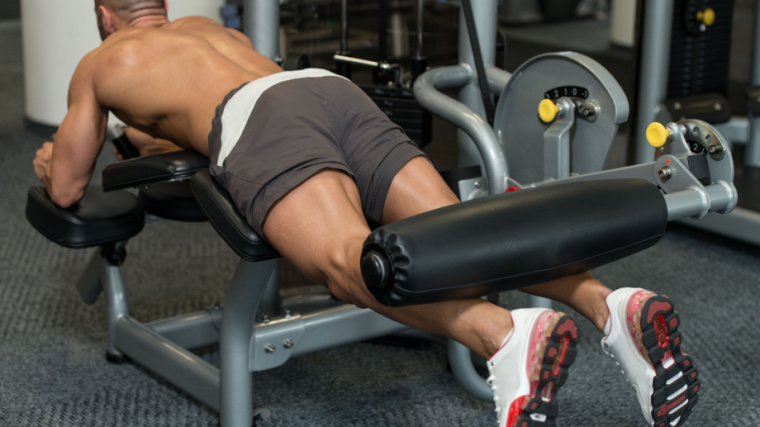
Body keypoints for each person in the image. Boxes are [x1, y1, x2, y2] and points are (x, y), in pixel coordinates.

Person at [32, 1, 699, 426]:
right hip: (326, 92)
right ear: (163, 8)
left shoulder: (99, 63)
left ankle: (501, 334)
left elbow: (65, 186)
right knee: (467, 238)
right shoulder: (206, 28)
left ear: (104, 15)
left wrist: (54, 156)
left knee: (351, 264)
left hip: (260, 121)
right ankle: (613, 306)